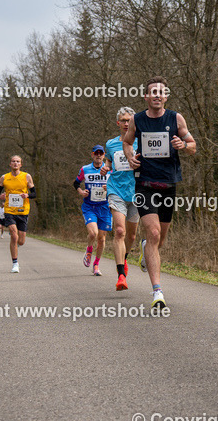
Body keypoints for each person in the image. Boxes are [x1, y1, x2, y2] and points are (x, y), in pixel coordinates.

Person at [123, 77, 196, 310]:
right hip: (145, 183)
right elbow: (127, 142)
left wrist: (183, 146)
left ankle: (147, 248)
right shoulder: (137, 119)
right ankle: (157, 292)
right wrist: (129, 157)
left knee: (159, 239)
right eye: (152, 92)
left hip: (168, 184)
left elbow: (193, 144)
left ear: (166, 96)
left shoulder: (175, 118)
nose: (156, 95)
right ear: (145, 96)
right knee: (153, 232)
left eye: (161, 92)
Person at [104, 107, 140, 291]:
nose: (126, 123)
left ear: (133, 122)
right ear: (118, 123)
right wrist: (105, 167)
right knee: (119, 231)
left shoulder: (141, 142)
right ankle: (120, 275)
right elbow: (109, 162)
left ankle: (124, 258)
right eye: (123, 120)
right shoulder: (110, 144)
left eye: (129, 120)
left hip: (136, 193)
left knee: (131, 235)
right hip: (116, 189)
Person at [74, 145, 112, 276]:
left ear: (104, 155)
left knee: (101, 239)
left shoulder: (109, 170)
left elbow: (116, 185)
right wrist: (80, 192)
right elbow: (76, 183)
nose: (98, 155)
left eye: (101, 153)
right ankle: (89, 249)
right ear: (92, 155)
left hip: (105, 207)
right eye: (96, 153)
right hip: (89, 207)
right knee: (93, 234)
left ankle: (96, 264)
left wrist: (109, 188)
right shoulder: (85, 169)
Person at [0, 155, 35, 273]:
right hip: (9, 210)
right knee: (14, 235)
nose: (15, 163)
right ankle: (15, 263)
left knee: (21, 241)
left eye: (18, 162)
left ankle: (15, 245)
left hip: (23, 211)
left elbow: (34, 194)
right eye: (13, 161)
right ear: (10, 164)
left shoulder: (27, 177)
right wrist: (0, 196)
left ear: (21, 164)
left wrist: (27, 195)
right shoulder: (4, 178)